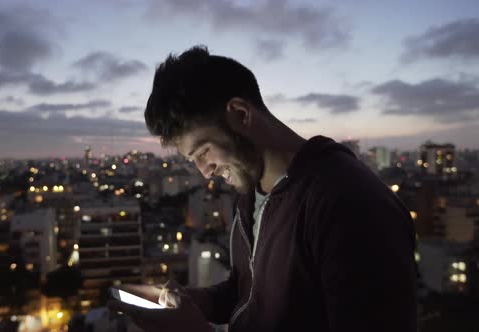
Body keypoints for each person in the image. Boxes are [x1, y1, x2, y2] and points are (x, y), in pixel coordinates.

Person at [109, 45, 417, 332]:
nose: (205, 172)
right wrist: (190, 303)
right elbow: (248, 292)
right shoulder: (252, 194)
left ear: (241, 115)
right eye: (194, 160)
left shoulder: (348, 202)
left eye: (203, 152)